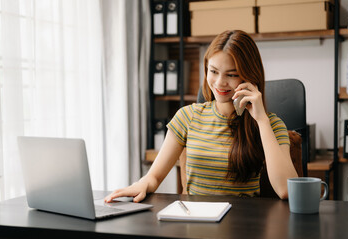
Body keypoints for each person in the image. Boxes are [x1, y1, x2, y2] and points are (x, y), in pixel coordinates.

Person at [105, 30, 298, 203]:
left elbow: (286, 190)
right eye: (213, 71)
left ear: (250, 77)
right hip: (194, 221)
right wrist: (142, 184)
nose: (220, 83)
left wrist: (261, 119)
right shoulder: (187, 116)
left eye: (231, 74)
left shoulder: (270, 123)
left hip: (243, 225)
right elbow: (154, 177)